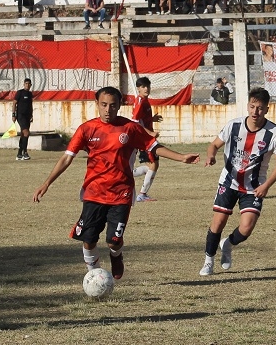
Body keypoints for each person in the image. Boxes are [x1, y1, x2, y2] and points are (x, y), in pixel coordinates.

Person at [33, 87, 199, 280]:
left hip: (121, 193)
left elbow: (153, 146)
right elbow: (66, 158)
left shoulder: (130, 128)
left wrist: (181, 157)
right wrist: (47, 183)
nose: (108, 110)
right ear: (97, 104)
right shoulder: (87, 129)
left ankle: (116, 255)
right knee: (88, 239)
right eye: (104, 105)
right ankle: (94, 276)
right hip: (94, 192)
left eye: (113, 105)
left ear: (119, 105)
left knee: (113, 240)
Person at [199, 87, 276, 276]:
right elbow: (214, 144)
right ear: (247, 106)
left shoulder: (275, 132)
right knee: (218, 222)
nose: (256, 112)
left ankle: (228, 244)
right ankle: (208, 261)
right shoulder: (234, 125)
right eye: (252, 107)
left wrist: (266, 185)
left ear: (267, 109)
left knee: (246, 228)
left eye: (260, 108)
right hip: (228, 182)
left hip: (254, 187)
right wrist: (211, 155)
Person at [131, 77, 164, 202]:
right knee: (153, 164)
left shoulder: (144, 101)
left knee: (152, 165)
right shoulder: (140, 102)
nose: (146, 89)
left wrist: (152, 119)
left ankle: (126, 173)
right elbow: (135, 121)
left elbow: (141, 119)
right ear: (138, 88)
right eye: (143, 87)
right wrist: (150, 132)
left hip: (145, 138)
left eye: (148, 86)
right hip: (144, 139)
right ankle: (142, 194)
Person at [13, 78, 34, 161]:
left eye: (29, 84)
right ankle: (25, 152)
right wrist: (13, 114)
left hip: (27, 116)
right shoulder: (20, 93)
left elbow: (30, 105)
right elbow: (14, 103)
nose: (27, 85)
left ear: (30, 85)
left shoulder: (30, 94)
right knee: (26, 133)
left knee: (23, 134)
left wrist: (31, 115)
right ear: (24, 84)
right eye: (26, 83)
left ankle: (19, 153)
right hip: (20, 116)